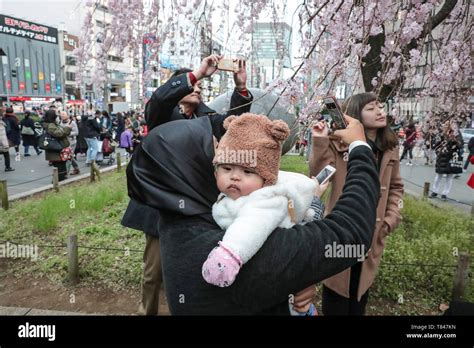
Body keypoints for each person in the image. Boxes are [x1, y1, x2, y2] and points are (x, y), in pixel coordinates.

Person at [125, 112, 379, 315]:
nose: (219, 153)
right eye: (211, 152)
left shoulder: (185, 223)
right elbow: (350, 233)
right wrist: (360, 147)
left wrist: (292, 282)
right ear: (189, 168)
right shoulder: (221, 254)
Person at [122, 54, 254, 315]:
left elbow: (235, 126)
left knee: (190, 272)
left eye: (200, 87)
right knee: (153, 273)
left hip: (199, 207)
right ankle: (145, 311)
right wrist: (198, 73)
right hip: (164, 208)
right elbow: (158, 99)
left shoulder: (208, 118)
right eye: (192, 85)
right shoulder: (162, 116)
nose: (197, 88)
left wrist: (240, 88)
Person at [201, 114, 328, 316]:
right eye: (226, 168)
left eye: (247, 171)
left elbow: (250, 228)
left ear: (265, 178)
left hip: (281, 281)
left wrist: (227, 258)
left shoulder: (267, 200)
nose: (234, 176)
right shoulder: (235, 194)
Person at [309, 92, 403, 316]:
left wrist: (390, 220)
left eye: (381, 106)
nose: (380, 111)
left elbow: (397, 188)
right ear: (355, 116)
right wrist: (320, 140)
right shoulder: (339, 144)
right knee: (337, 294)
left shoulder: (389, 148)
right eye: (371, 108)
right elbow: (318, 174)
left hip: (372, 233)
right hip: (343, 230)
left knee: (360, 295)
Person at [429, 122, 463, 201]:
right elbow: (435, 145)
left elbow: (460, 145)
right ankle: (435, 191)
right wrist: (438, 151)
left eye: (449, 124)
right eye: (446, 125)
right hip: (442, 157)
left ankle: (445, 194)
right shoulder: (442, 134)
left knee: (449, 178)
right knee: (438, 176)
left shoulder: (457, 134)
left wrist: (454, 139)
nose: (447, 126)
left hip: (451, 158)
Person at [42, 110, 71, 182]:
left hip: (55, 149)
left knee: (60, 167)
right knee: (60, 168)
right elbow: (59, 134)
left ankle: (58, 183)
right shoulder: (51, 125)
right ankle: (57, 185)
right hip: (56, 149)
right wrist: (67, 128)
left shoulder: (50, 124)